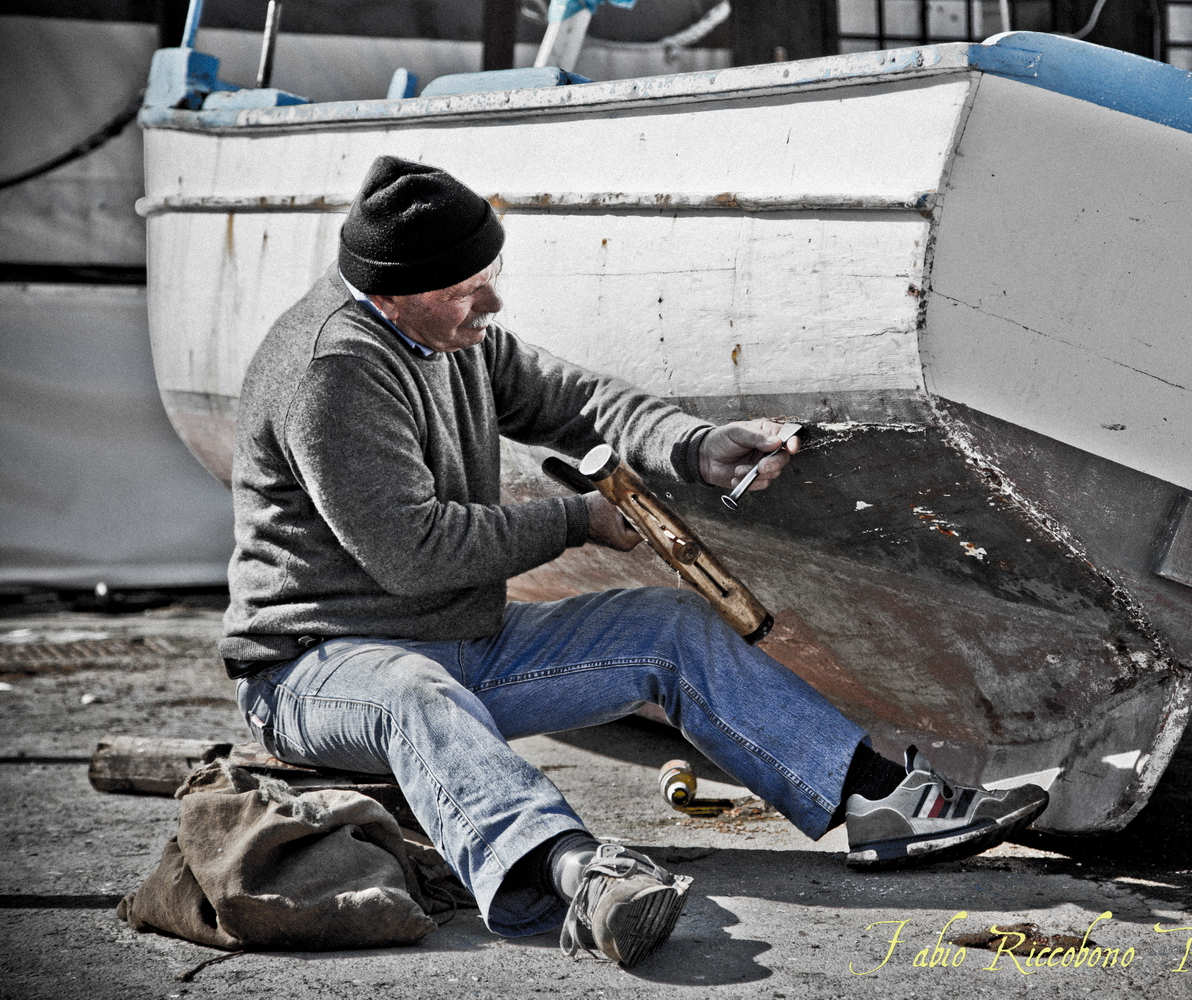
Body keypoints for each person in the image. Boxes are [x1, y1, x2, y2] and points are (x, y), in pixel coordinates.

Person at [223, 156, 1048, 968]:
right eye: (467, 289)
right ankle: (582, 878)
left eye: (492, 272)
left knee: (668, 628)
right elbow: (414, 551)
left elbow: (573, 399)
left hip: (454, 640)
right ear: (393, 295)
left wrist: (692, 447)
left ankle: (871, 798)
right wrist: (576, 520)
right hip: (317, 666)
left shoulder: (452, 335)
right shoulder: (334, 368)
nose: (493, 300)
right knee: (413, 695)